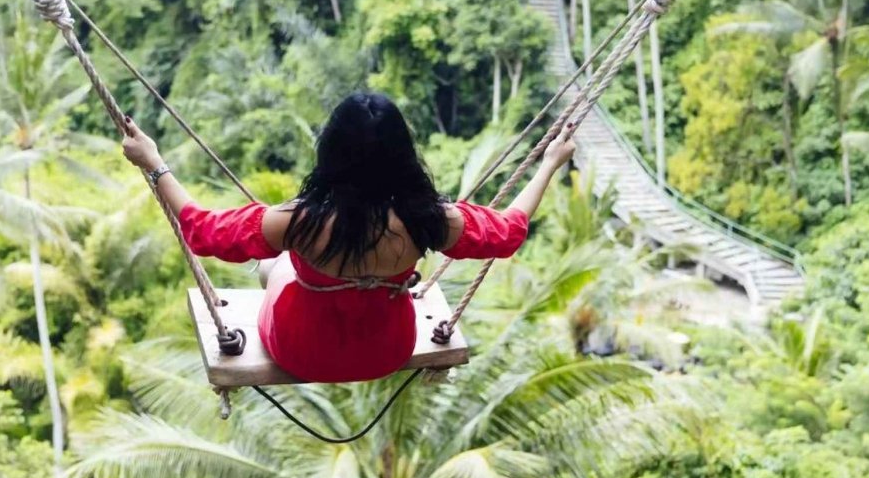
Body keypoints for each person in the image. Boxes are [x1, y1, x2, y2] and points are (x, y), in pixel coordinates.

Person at [121, 92, 577, 383]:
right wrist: (550, 163)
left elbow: (202, 231)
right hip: (387, 351)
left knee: (272, 266)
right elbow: (510, 231)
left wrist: (154, 162)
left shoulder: (298, 222)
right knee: (295, 269)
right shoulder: (431, 220)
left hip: (299, 349)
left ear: (330, 152)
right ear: (404, 154)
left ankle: (280, 272)